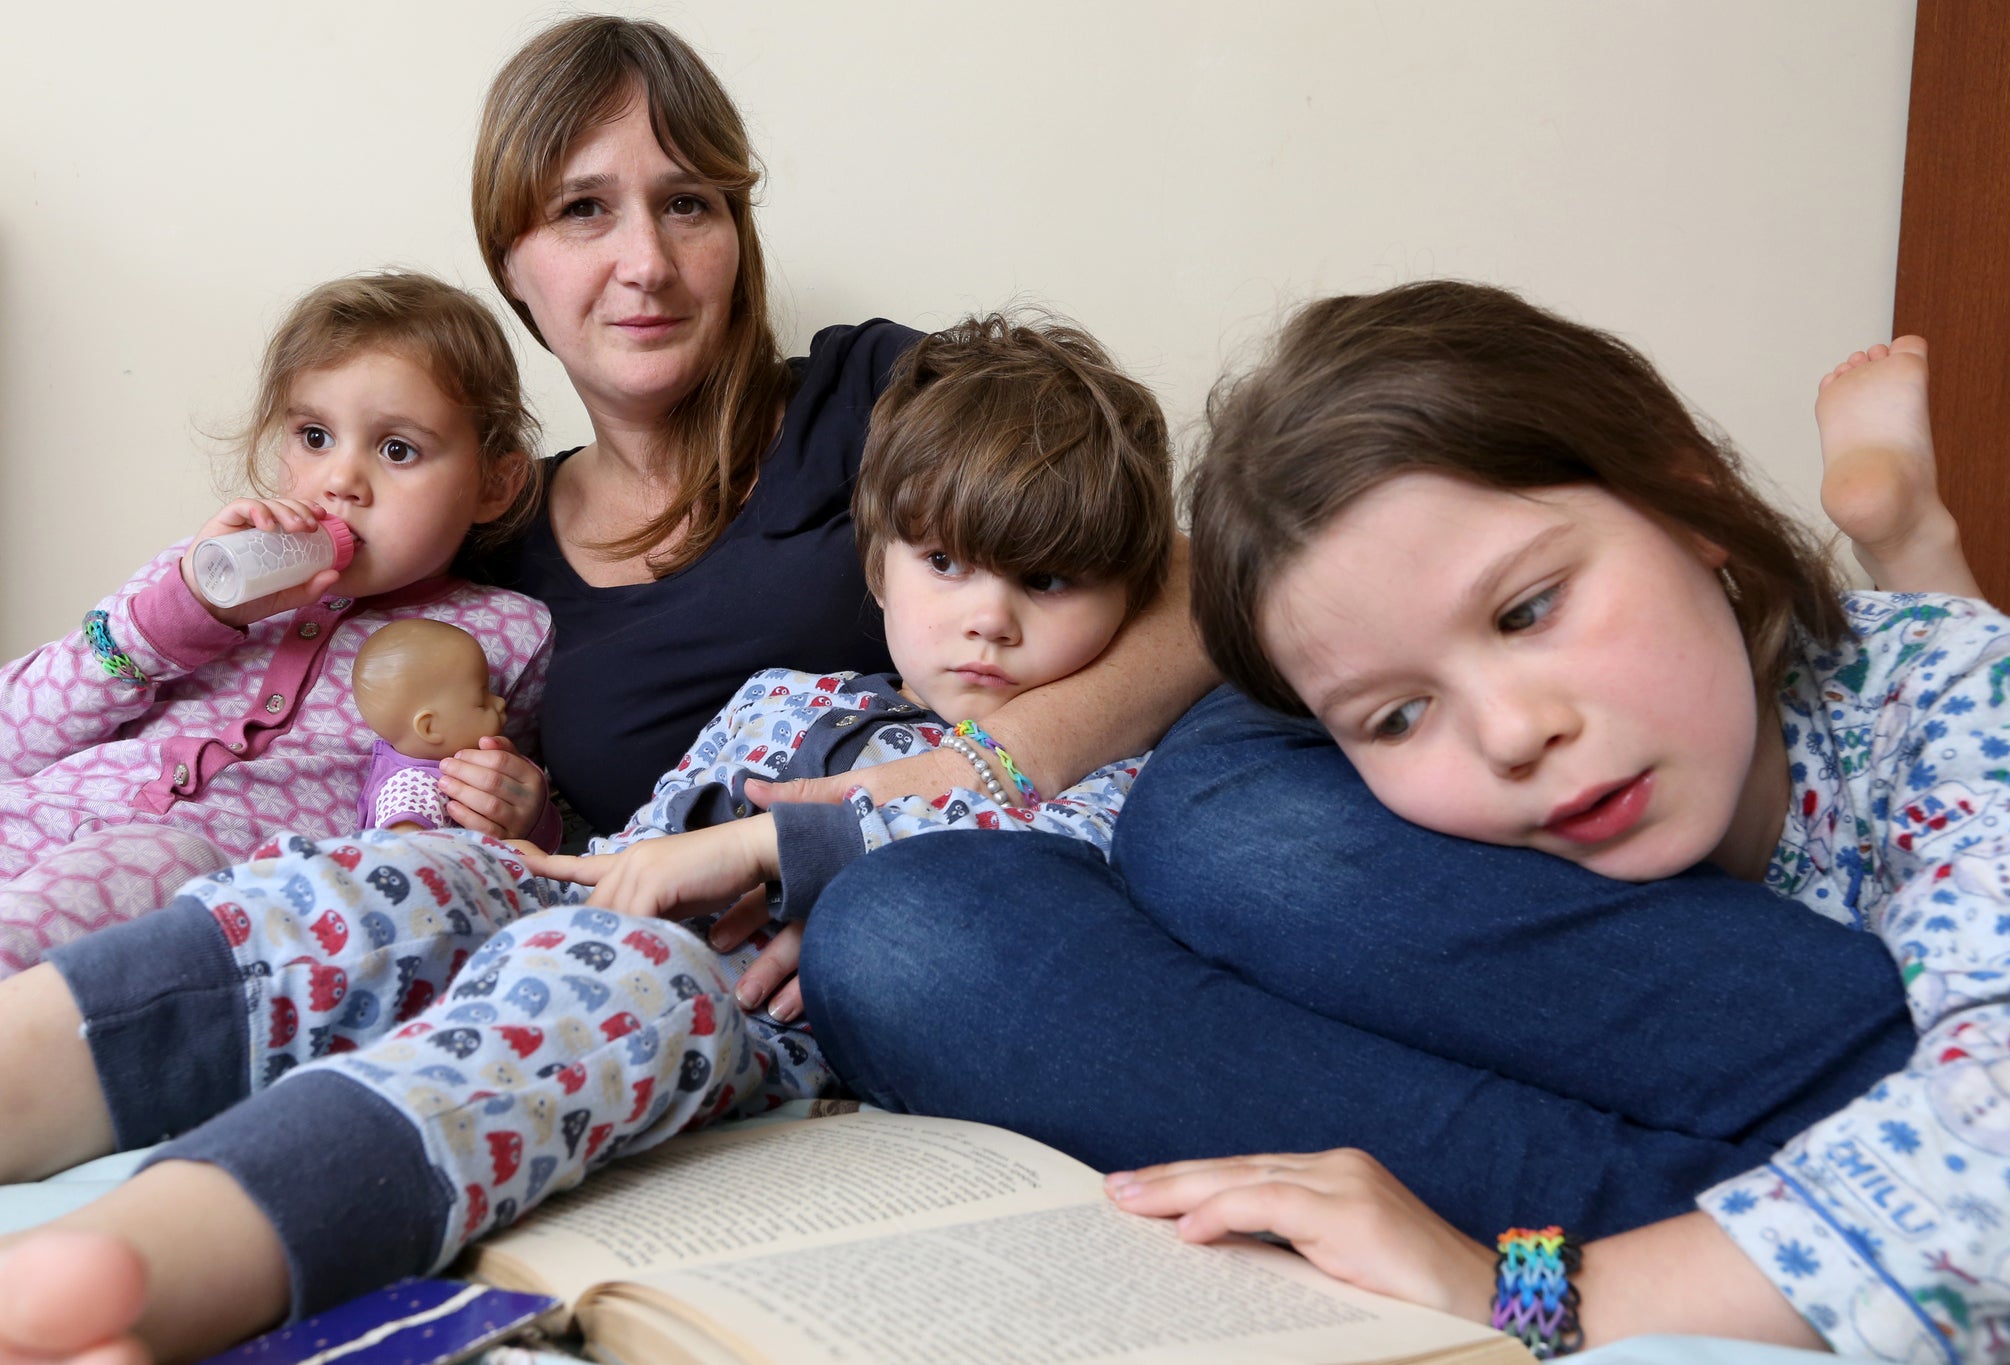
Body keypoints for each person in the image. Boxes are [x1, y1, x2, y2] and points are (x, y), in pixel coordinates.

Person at [0, 311, 1177, 1364]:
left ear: (1133, 597)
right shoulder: (783, 698)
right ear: (877, 564)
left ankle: (152, 1266)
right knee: (407, 878)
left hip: (731, 1024)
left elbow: (1025, 876)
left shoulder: (1105, 771)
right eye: (944, 563)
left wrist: (785, 862)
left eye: (1053, 579)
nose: (986, 616)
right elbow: (627, 842)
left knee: (620, 975)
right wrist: (527, 847)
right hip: (582, 903)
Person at [1089, 284, 2010, 1363]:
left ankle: (1908, 536)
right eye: (1396, 715)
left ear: (1691, 501)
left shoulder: (1980, 707)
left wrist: (1511, 1289)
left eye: (1527, 610)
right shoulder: (1426, 818)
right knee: (924, 921)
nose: (1508, 735)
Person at [454, 15, 1212, 847]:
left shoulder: (877, 394)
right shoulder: (487, 537)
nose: (648, 262)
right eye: (584, 208)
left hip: (984, 868)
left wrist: (948, 784)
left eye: (686, 204)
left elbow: (1201, 583)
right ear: (509, 265)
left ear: (736, 234)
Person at [0, 272, 557, 974]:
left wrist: (525, 810)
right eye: (315, 435)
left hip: (198, 888)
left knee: (148, 863)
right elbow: (12, 732)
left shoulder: (504, 630)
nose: (341, 480)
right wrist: (177, 613)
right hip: (32, 816)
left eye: (396, 449)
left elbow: (479, 832)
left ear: (495, 484)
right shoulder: (209, 570)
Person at [351, 620, 513, 835]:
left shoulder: (455, 768)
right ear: (430, 728)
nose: (500, 702)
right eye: (481, 701)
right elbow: (403, 853)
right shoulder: (412, 787)